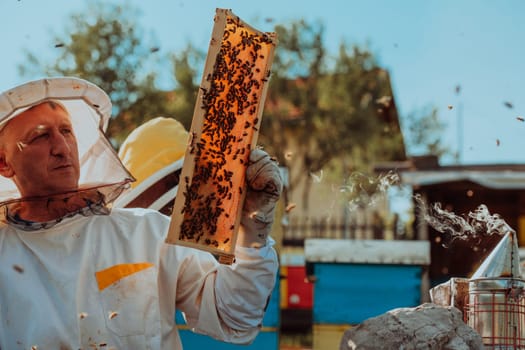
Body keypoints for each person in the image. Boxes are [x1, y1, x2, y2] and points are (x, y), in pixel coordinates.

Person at [0, 77, 283, 349]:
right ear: (4, 163)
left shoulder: (146, 232)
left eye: (66, 131)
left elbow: (234, 318)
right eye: (40, 136)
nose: (62, 148)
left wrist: (251, 229)